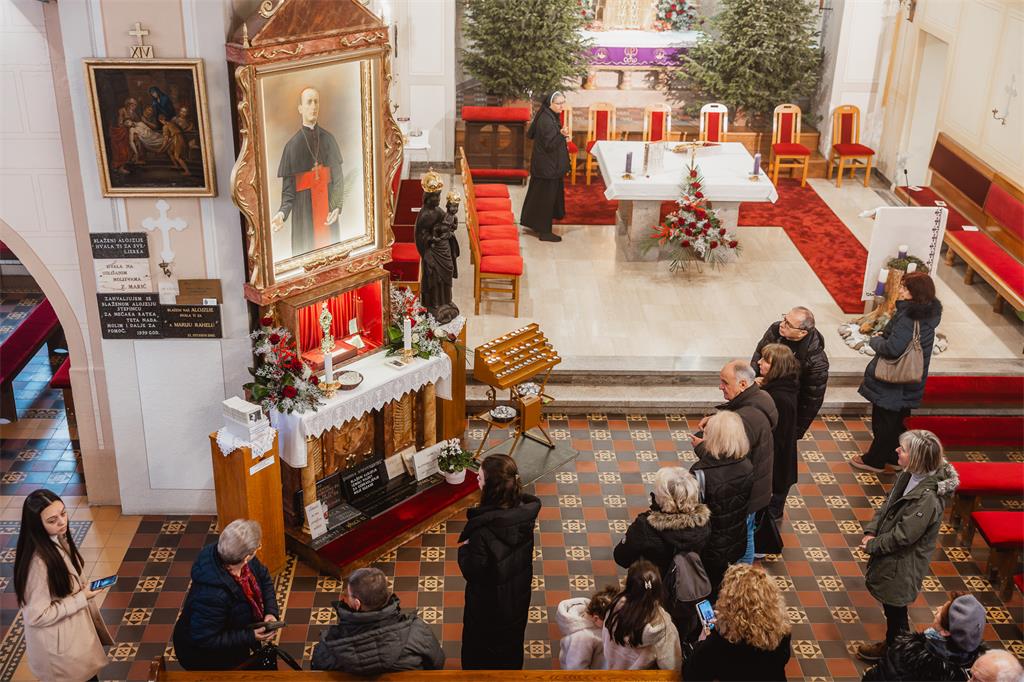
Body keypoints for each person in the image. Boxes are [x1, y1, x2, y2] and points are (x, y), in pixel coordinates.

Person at [856, 429, 960, 662]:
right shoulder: (909, 474)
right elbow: (888, 504)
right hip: (892, 557)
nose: (896, 450)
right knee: (892, 608)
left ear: (917, 459)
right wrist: (872, 530)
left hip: (903, 564)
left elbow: (904, 536)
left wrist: (873, 545)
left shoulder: (928, 499)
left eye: (902, 450)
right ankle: (894, 647)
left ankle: (898, 657)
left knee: (896, 610)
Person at [14, 489, 113, 682]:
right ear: (37, 525)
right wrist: (81, 598)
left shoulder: (57, 539)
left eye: (63, 513)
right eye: (52, 520)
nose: (62, 522)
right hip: (60, 650)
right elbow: (37, 615)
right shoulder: (38, 564)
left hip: (72, 639)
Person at [853, 272, 943, 473]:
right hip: (910, 378)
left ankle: (874, 460)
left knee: (884, 423)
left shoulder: (909, 316)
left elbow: (893, 348)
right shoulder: (929, 313)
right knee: (898, 421)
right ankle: (894, 457)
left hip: (893, 380)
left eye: (904, 287)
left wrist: (876, 340)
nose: (900, 290)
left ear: (915, 293)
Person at [458, 453, 542, 669]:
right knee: (510, 644)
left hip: (489, 605)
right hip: (516, 594)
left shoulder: (482, 531)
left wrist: (465, 549)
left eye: (480, 478)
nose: (476, 480)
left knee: (482, 653)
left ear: (491, 488)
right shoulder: (523, 514)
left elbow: (473, 571)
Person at [693, 359, 777, 565]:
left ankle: (742, 575)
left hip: (745, 492)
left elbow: (729, 461)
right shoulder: (761, 397)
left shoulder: (745, 419)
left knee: (744, 536)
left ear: (742, 384)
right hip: (757, 484)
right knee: (746, 531)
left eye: (725, 382)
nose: (720, 386)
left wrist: (701, 447)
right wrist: (717, 420)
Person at [613, 466, 710, 642]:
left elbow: (621, 557)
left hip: (651, 594)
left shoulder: (645, 528)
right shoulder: (703, 524)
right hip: (686, 596)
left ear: (662, 498)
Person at [172, 519, 280, 670]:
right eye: (258, 547)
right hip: (206, 657)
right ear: (246, 556)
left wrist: (270, 612)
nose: (258, 549)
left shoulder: (233, 554)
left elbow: (264, 577)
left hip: (232, 637)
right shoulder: (213, 596)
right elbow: (205, 638)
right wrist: (249, 636)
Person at [311, 566, 444, 673]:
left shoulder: (329, 646)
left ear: (357, 604)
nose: (344, 597)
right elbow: (437, 664)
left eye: (347, 595)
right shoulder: (417, 632)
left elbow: (317, 671)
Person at [684, 564, 793, 681]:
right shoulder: (780, 629)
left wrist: (701, 641)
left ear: (730, 603)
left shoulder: (718, 643)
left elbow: (691, 675)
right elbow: (784, 658)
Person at [272, 86, 345, 256]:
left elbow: (338, 179)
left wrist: (336, 207)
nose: (313, 106)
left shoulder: (329, 139)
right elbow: (288, 193)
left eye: (316, 102)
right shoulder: (291, 146)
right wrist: (282, 214)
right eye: (309, 102)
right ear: (300, 108)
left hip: (327, 213)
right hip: (304, 216)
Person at [689, 411, 754, 595]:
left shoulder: (700, 472)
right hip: (736, 541)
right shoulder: (746, 466)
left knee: (706, 590)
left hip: (709, 547)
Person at [862, 591, 987, 681]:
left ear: (945, 632)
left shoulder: (907, 656)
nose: (938, 609)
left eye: (941, 612)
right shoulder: (979, 668)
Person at [751, 306, 829, 439]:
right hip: (763, 395)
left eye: (788, 324)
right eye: (784, 318)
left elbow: (812, 400)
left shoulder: (816, 361)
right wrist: (752, 379)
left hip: (785, 406)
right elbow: (759, 354)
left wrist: (797, 431)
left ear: (802, 333)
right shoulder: (776, 330)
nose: (782, 324)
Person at [602, 560, 682, 671]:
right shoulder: (664, 628)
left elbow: (605, 640)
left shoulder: (614, 608)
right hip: (639, 676)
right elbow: (671, 668)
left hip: (612, 671)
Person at [756, 343, 801, 521]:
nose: (759, 362)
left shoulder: (779, 397)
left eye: (765, 361)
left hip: (777, 455)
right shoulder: (782, 385)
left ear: (777, 367)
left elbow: (777, 433)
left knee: (771, 509)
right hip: (778, 453)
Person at [520, 91, 570, 242]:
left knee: (539, 196)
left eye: (563, 103)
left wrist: (560, 134)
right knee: (546, 200)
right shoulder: (546, 121)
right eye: (558, 103)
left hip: (545, 165)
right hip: (547, 167)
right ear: (550, 104)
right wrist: (562, 135)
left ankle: (535, 224)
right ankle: (544, 232)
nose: (562, 106)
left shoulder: (548, 115)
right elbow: (549, 145)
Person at [555, 585, 618, 670]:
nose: (613, 625)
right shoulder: (582, 638)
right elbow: (576, 669)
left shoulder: (595, 621)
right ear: (596, 618)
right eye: (610, 622)